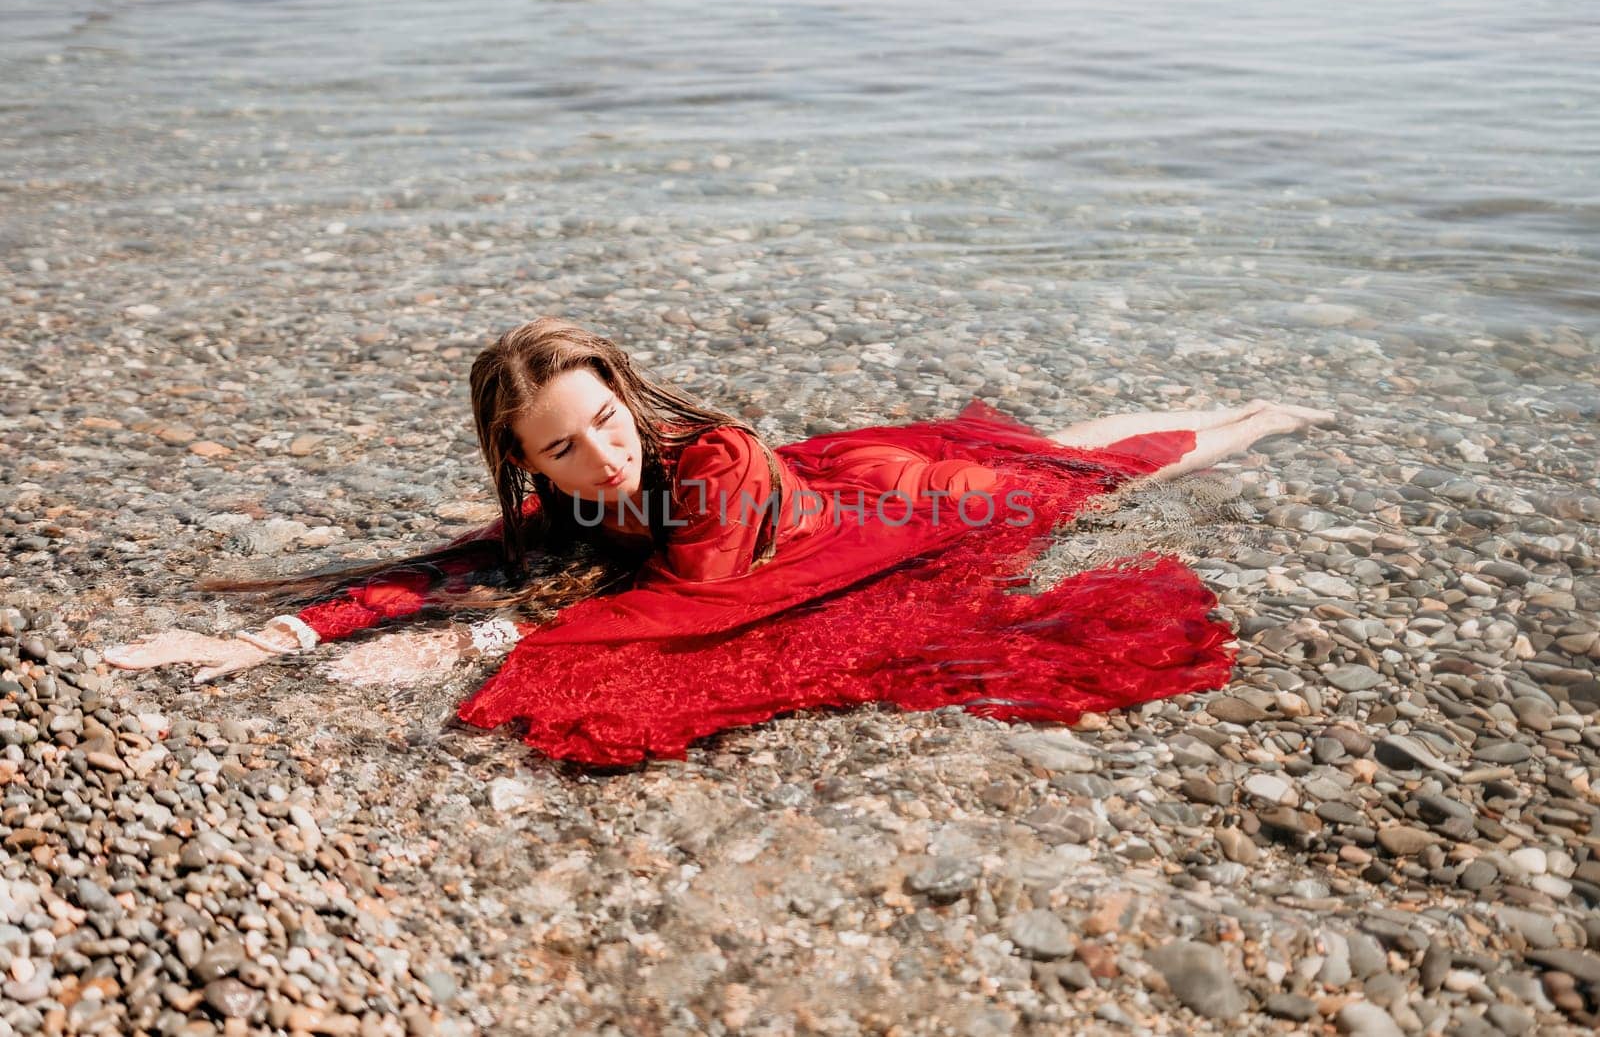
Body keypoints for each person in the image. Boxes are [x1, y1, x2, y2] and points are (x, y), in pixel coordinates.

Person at [104, 317, 1333, 765]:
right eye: (564, 448)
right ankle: (1225, 407)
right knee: (1052, 447)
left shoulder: (713, 458)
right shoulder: (568, 504)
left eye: (604, 420)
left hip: (892, 503)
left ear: (624, 393)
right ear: (525, 460)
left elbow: (692, 604)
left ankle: (1260, 417)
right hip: (823, 500)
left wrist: (474, 643)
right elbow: (454, 566)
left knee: (1080, 472)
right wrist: (266, 636)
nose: (603, 457)